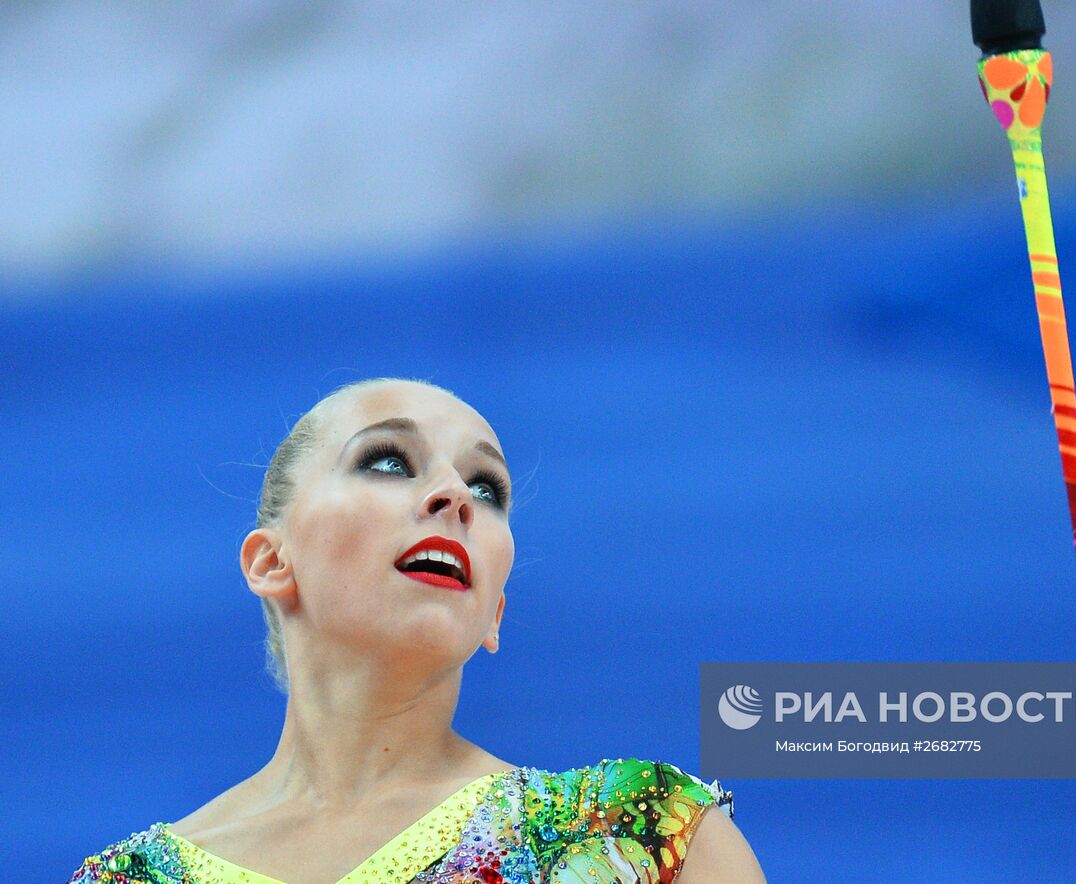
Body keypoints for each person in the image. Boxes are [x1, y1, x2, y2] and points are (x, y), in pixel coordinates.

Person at [68, 377, 765, 883]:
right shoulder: (128, 879)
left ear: (494, 611)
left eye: (486, 488)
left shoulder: (639, 835)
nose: (455, 496)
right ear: (272, 561)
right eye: (387, 461)